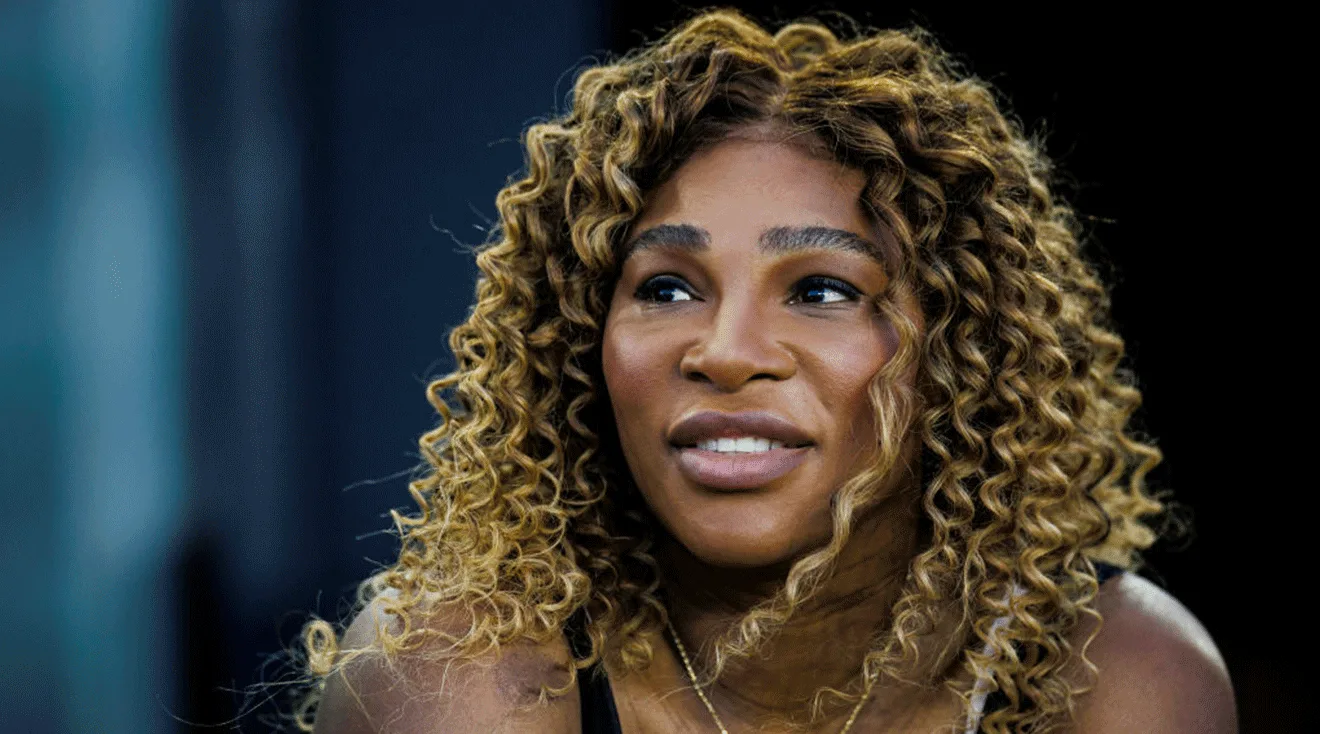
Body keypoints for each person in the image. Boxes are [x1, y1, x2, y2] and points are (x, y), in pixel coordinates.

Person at [298, 9, 1235, 733]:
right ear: (584, 343)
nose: (726, 350)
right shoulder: (464, 672)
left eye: (822, 289)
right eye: (666, 289)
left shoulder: (1114, 672)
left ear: (961, 353)